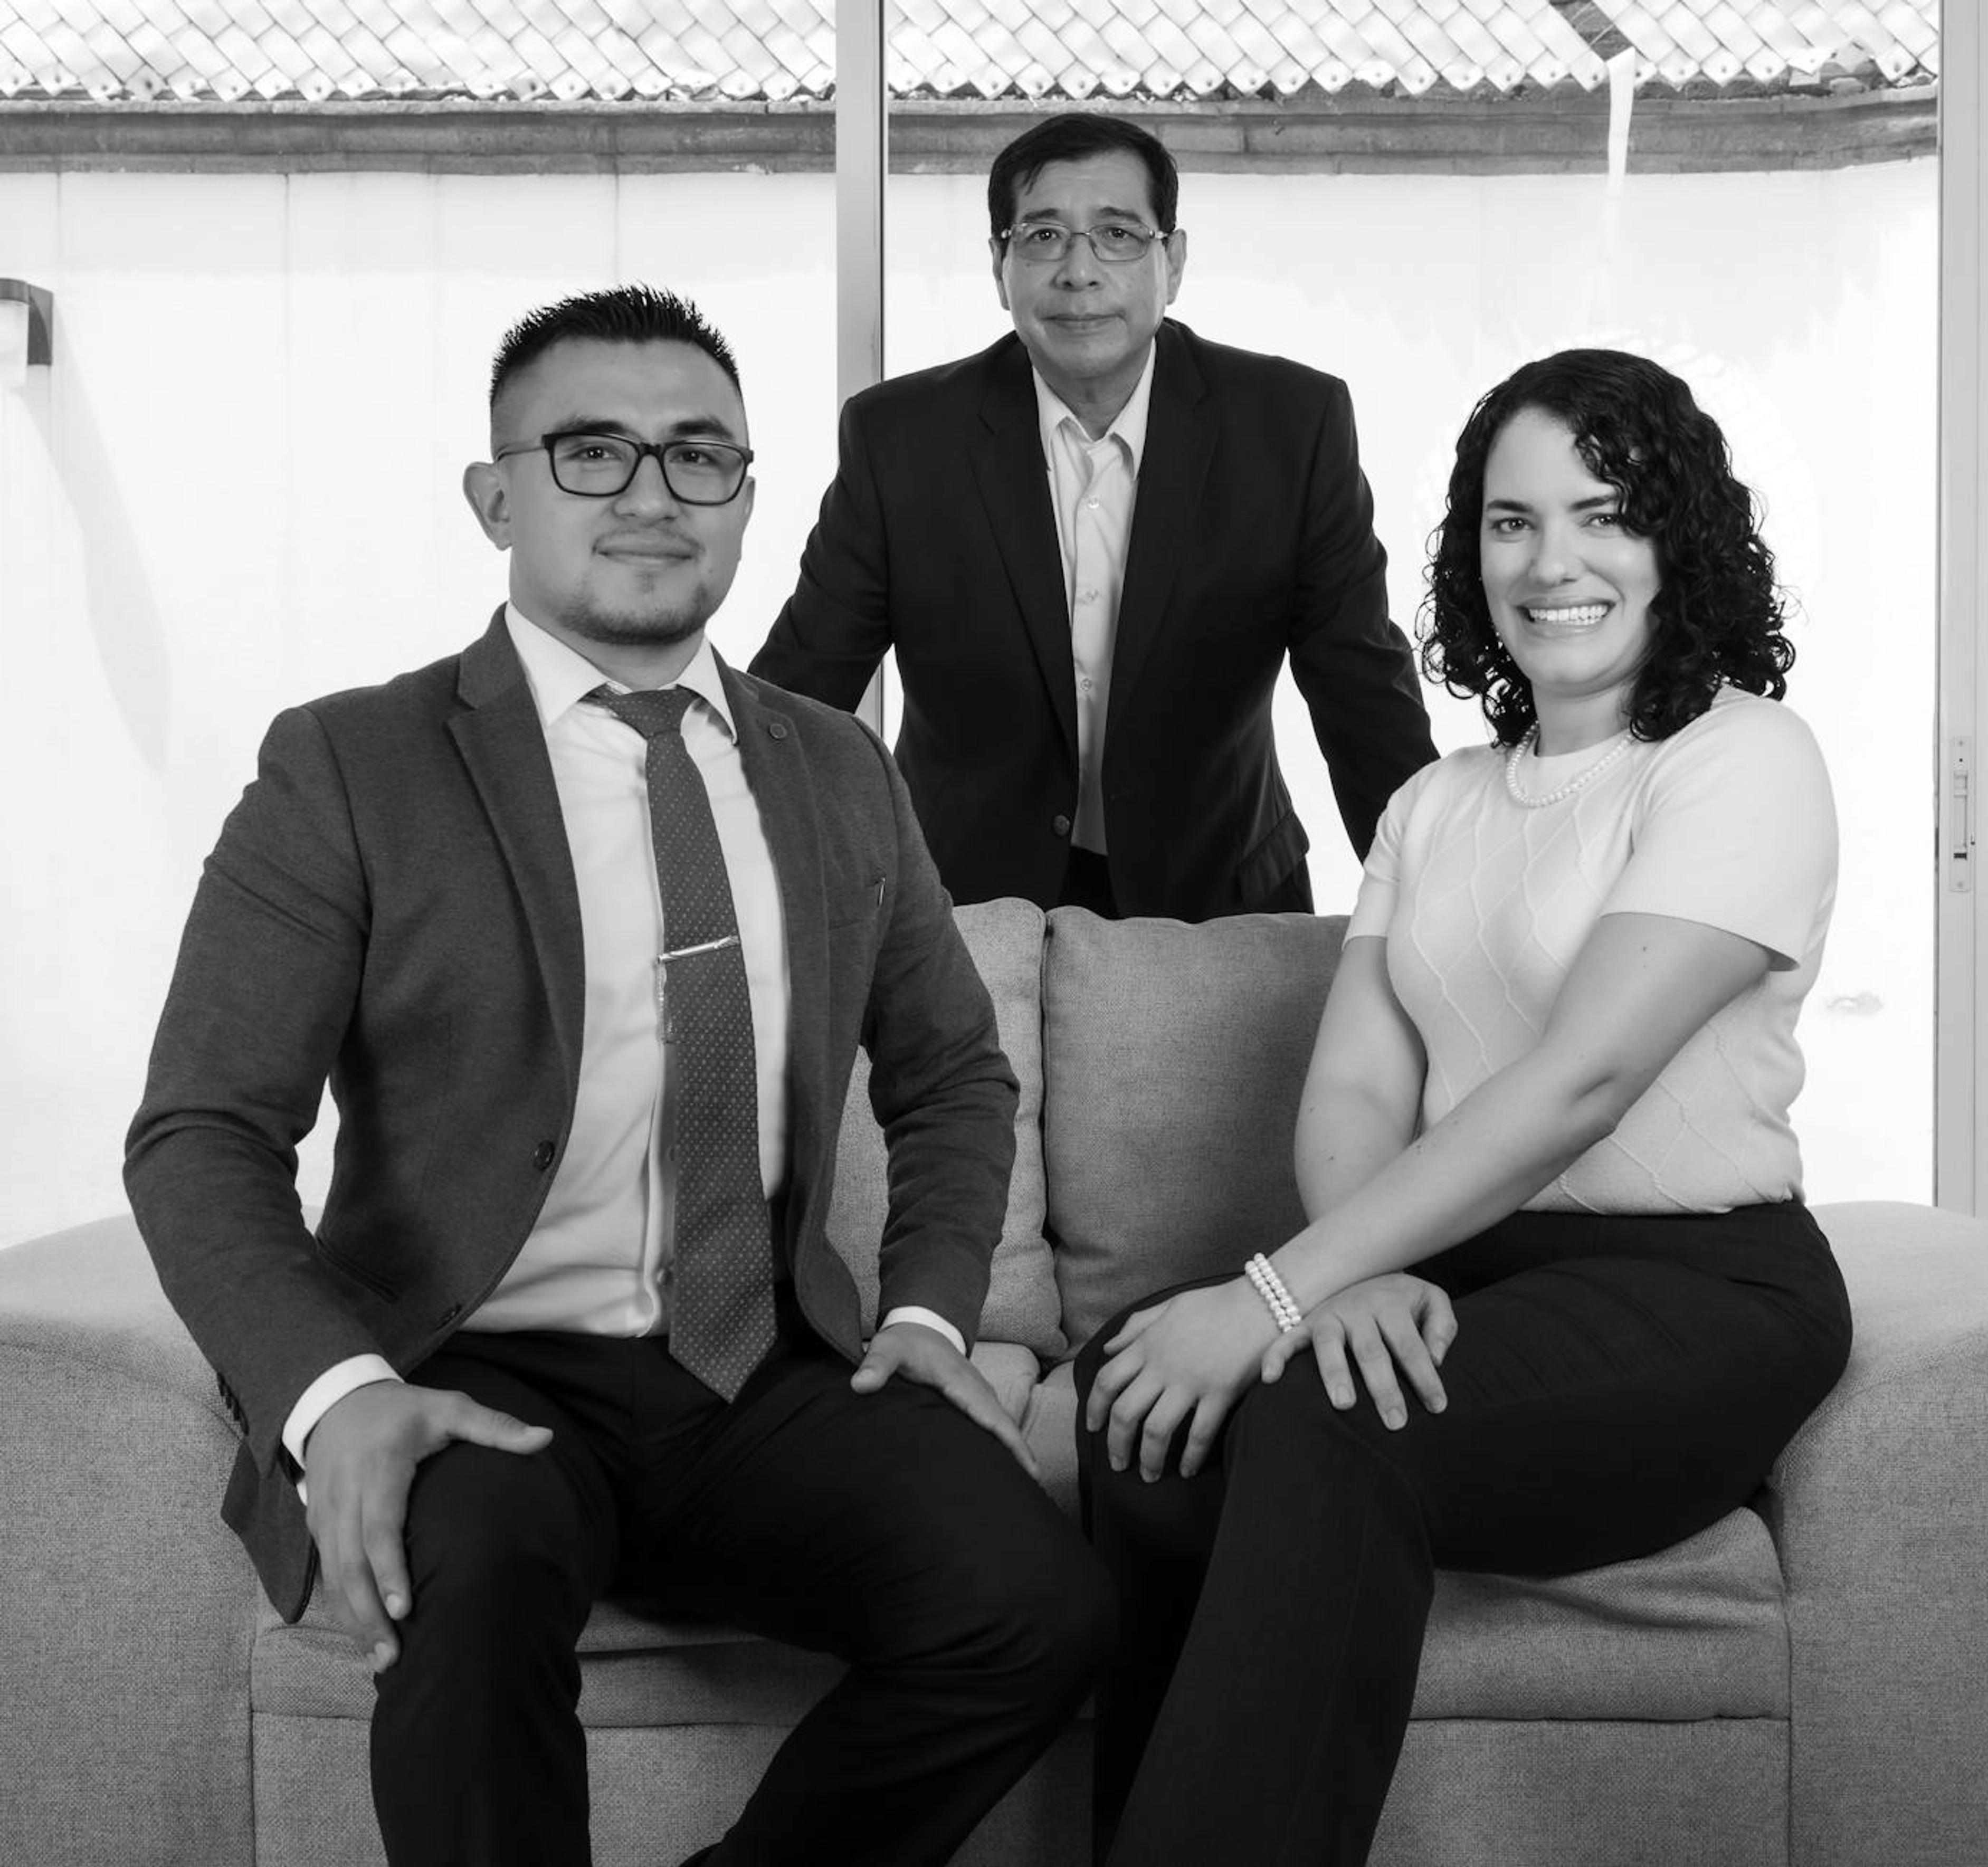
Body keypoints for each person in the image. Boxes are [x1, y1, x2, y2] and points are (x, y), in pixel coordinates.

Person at [124, 285, 1111, 1867]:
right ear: (495, 496)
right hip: (480, 1362)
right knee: (466, 1584)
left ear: (746, 499)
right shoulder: (350, 763)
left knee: (1037, 1603)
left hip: (765, 1377)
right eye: (595, 452)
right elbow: (200, 1135)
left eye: (701, 457)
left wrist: (928, 1313)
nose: (655, 496)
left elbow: (953, 1078)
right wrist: (343, 1398)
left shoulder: (839, 764)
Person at [1073, 348, 1853, 1863]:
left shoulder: (1744, 759)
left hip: (1701, 1291)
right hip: (1466, 1268)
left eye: (1604, 512)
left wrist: (1287, 1294)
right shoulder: (1436, 804)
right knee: (1138, 1396)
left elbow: (1586, 1083)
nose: (1551, 561)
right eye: (1510, 521)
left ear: (1676, 535)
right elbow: (1361, 1077)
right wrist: (1354, 1277)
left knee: (1321, 1413)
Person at [750, 111, 1435, 920]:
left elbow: (1363, 697)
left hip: (1219, 889)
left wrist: (1438, 915)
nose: (1079, 271)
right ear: (1000, 265)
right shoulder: (902, 440)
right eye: (1043, 236)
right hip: (966, 902)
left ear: (1171, 261)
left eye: (1117, 234)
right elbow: (801, 695)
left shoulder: (1290, 426)